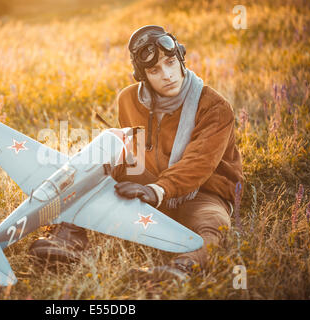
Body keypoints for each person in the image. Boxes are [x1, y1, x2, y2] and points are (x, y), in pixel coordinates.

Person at [29, 25, 244, 281]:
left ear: (181, 58)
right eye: (155, 70)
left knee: (213, 224)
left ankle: (180, 270)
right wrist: (118, 170)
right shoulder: (128, 100)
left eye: (170, 62)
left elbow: (199, 162)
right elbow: (129, 150)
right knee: (103, 155)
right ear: (142, 74)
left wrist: (158, 190)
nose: (167, 74)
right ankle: (69, 236)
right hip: (150, 181)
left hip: (203, 191)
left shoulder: (215, 106)